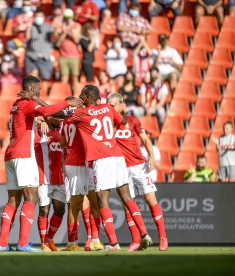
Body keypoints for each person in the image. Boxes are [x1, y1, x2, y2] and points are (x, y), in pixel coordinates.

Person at [0, 75, 83, 252]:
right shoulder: (27, 104)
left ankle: (2, 243)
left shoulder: (16, 104)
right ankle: (22, 243)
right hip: (23, 154)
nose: (41, 92)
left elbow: (48, 112)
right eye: (39, 90)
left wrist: (38, 100)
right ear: (33, 89)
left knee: (13, 200)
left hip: (10, 154)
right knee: (31, 198)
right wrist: (68, 103)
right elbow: (47, 111)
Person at [70, 85, 152, 251]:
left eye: (81, 95)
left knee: (103, 200)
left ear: (86, 97)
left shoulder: (81, 113)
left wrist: (68, 104)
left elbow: (59, 115)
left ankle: (113, 243)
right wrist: (121, 112)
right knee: (127, 197)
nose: (79, 98)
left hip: (102, 159)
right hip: (117, 156)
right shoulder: (107, 108)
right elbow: (123, 122)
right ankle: (144, 233)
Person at [109, 93, 168, 251]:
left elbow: (146, 140)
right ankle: (136, 240)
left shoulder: (133, 120)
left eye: (112, 104)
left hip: (139, 166)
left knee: (150, 200)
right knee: (127, 205)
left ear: (121, 105)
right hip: (122, 169)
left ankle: (162, 237)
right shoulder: (108, 124)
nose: (109, 108)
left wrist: (152, 157)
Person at [60, 97, 104, 251]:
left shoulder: (65, 121)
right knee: (78, 203)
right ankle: (75, 242)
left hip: (76, 163)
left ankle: (89, 241)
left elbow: (63, 143)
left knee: (85, 202)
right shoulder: (81, 119)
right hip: (79, 164)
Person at [36, 117, 66, 251]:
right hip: (44, 178)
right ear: (48, 118)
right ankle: (43, 243)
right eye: (57, 117)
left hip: (60, 178)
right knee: (44, 210)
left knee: (60, 211)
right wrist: (40, 122)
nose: (60, 120)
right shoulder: (41, 131)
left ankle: (49, 239)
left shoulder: (62, 131)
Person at [24, 10, 56, 81]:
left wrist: (56, 29)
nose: (38, 18)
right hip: (32, 56)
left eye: (40, 16)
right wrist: (28, 27)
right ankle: (33, 92)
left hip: (45, 56)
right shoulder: (31, 26)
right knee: (33, 77)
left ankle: (41, 92)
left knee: (45, 78)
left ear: (44, 17)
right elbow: (27, 37)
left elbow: (53, 37)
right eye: (37, 16)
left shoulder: (48, 27)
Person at [56, 9, 81, 92]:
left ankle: (76, 96)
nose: (68, 19)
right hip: (63, 56)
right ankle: (64, 96)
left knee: (74, 77)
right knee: (64, 77)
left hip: (74, 56)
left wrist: (72, 32)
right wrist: (64, 32)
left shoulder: (77, 25)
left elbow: (77, 41)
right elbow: (58, 43)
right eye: (66, 17)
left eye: (69, 17)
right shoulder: (61, 26)